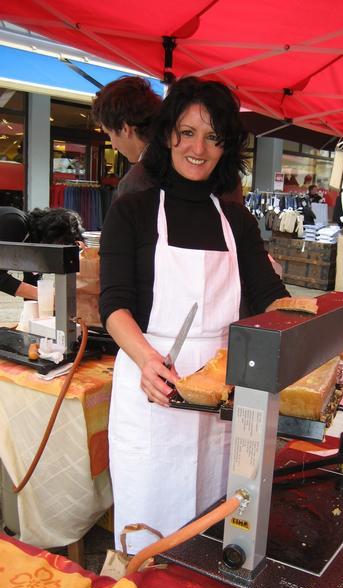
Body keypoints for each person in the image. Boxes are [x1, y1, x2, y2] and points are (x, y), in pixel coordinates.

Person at [99, 76, 289, 554]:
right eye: (187, 132)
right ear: (168, 135)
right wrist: (146, 359)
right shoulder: (132, 211)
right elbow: (114, 305)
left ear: (226, 147)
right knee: (149, 532)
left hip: (222, 393)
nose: (198, 148)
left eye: (212, 136)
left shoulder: (236, 220)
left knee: (212, 524)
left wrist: (308, 325)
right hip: (152, 384)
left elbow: (271, 295)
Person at [91, 76, 162, 197]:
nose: (113, 146)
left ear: (125, 129)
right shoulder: (177, 161)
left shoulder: (136, 182)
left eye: (109, 134)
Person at [0, 206, 84, 299]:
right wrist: (43, 294)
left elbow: (32, 281)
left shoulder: (35, 242)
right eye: (61, 245)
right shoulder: (15, 223)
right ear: (53, 235)